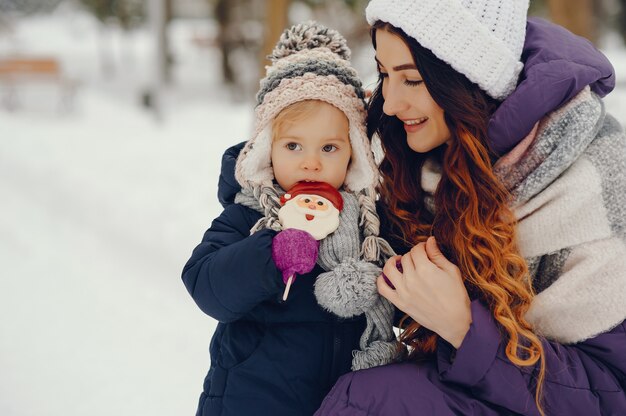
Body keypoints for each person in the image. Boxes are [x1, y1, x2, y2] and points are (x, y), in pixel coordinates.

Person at [314, 1, 626, 415]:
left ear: (467, 77)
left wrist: (464, 327)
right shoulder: (431, 161)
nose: (388, 104)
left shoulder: (594, 188)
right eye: (385, 75)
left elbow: (611, 393)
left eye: (412, 80)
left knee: (374, 401)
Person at [182, 21, 400, 416]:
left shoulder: (369, 226)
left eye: (330, 147)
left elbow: (400, 291)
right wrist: (271, 254)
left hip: (340, 403)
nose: (311, 162)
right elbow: (205, 283)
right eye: (294, 145)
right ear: (267, 148)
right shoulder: (247, 214)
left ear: (355, 153)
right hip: (249, 401)